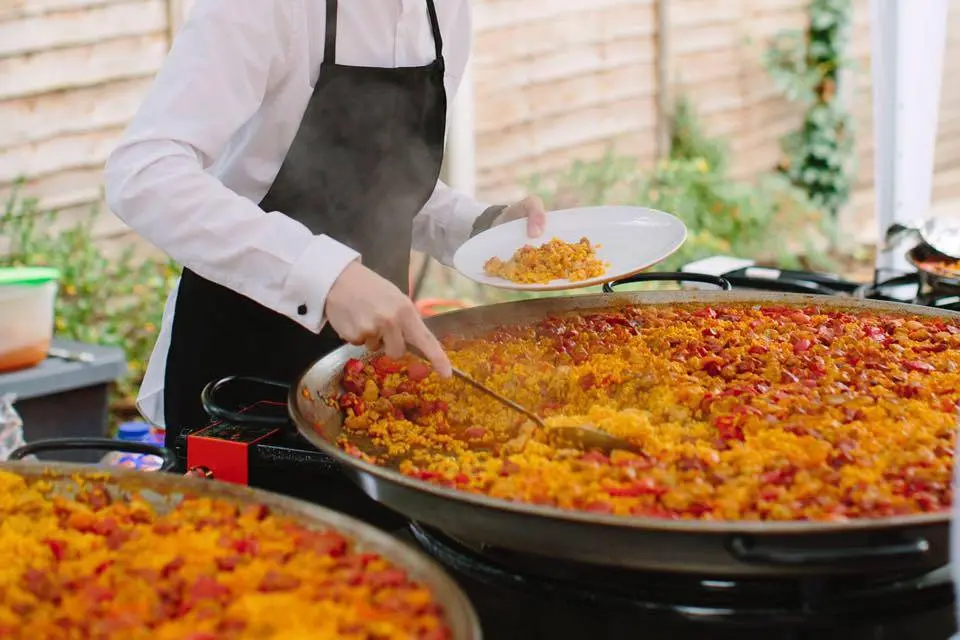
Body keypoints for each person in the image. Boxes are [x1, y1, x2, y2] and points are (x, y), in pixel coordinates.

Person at [104, 0, 547, 448]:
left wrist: (480, 227)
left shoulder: (445, 11)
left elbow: (384, 183)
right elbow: (144, 173)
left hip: (367, 394)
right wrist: (325, 276)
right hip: (239, 383)